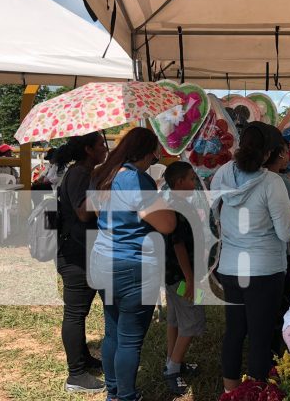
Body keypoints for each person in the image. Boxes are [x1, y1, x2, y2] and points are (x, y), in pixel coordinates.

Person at [210, 122, 290, 392]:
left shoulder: (223, 172)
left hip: (230, 267)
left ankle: (231, 392)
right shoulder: (272, 183)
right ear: (271, 152)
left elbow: (213, 212)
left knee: (235, 332)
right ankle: (257, 394)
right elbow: (286, 233)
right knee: (260, 337)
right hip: (264, 270)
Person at [89, 127, 176, 401]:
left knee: (112, 331)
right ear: (148, 153)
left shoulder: (104, 174)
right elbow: (167, 224)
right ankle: (126, 396)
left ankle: (113, 392)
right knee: (129, 338)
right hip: (133, 265)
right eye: (154, 153)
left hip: (102, 260)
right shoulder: (136, 180)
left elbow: (96, 211)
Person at [56, 133, 109, 394]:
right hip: (76, 255)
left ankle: (84, 358)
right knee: (75, 313)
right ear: (88, 149)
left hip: (87, 251)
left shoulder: (85, 172)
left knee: (82, 311)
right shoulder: (78, 174)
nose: (106, 148)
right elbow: (83, 211)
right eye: (101, 145)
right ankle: (75, 375)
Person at [162, 161, 205, 395]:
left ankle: (172, 359)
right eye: (191, 178)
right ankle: (173, 369)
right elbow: (178, 246)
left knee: (175, 318)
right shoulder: (177, 208)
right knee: (192, 320)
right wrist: (190, 279)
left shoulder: (174, 203)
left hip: (171, 276)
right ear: (179, 182)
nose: (194, 182)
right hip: (181, 278)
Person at [264, 140, 290, 356]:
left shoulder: (260, 180)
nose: (289, 157)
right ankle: (280, 351)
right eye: (286, 152)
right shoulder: (280, 182)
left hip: (270, 253)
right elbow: (289, 222)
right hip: (286, 250)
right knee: (283, 303)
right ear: (278, 155)